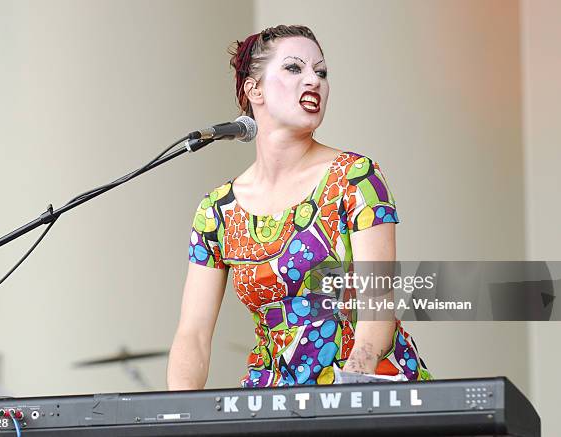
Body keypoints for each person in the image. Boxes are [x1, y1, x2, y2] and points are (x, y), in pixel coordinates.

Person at [167, 25, 431, 389]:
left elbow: (378, 310)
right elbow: (192, 335)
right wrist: (180, 420)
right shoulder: (217, 211)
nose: (314, 80)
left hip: (366, 390)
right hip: (272, 394)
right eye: (295, 68)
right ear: (253, 89)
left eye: (321, 72)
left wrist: (346, 394)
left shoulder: (355, 177)